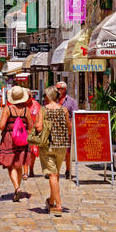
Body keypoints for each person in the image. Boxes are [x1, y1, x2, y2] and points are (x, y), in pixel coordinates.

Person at [35, 86, 71, 216]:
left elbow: (38, 127)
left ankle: (58, 206)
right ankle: (51, 201)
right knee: (55, 175)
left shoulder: (43, 110)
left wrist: (38, 125)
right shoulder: (64, 110)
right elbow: (69, 127)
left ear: (48, 96)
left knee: (52, 175)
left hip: (48, 145)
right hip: (61, 146)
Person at [0, 86, 33, 202]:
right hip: (22, 138)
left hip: (9, 138)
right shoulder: (26, 110)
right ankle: (17, 187)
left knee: (11, 165)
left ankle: (17, 187)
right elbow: (31, 126)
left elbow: (1, 126)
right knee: (18, 164)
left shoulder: (8, 109)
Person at [55, 81, 78, 179]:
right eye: (56, 88)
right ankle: (55, 171)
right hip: (55, 129)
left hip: (66, 130)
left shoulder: (71, 101)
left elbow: (75, 115)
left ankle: (68, 170)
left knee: (67, 152)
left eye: (59, 88)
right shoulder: (53, 100)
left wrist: (71, 128)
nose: (57, 90)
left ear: (64, 89)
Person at [23, 89, 41, 180]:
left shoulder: (36, 104)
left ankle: (31, 169)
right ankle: (25, 172)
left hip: (34, 132)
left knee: (33, 153)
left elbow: (40, 115)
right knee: (25, 152)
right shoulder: (22, 105)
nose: (27, 99)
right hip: (24, 131)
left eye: (29, 97)